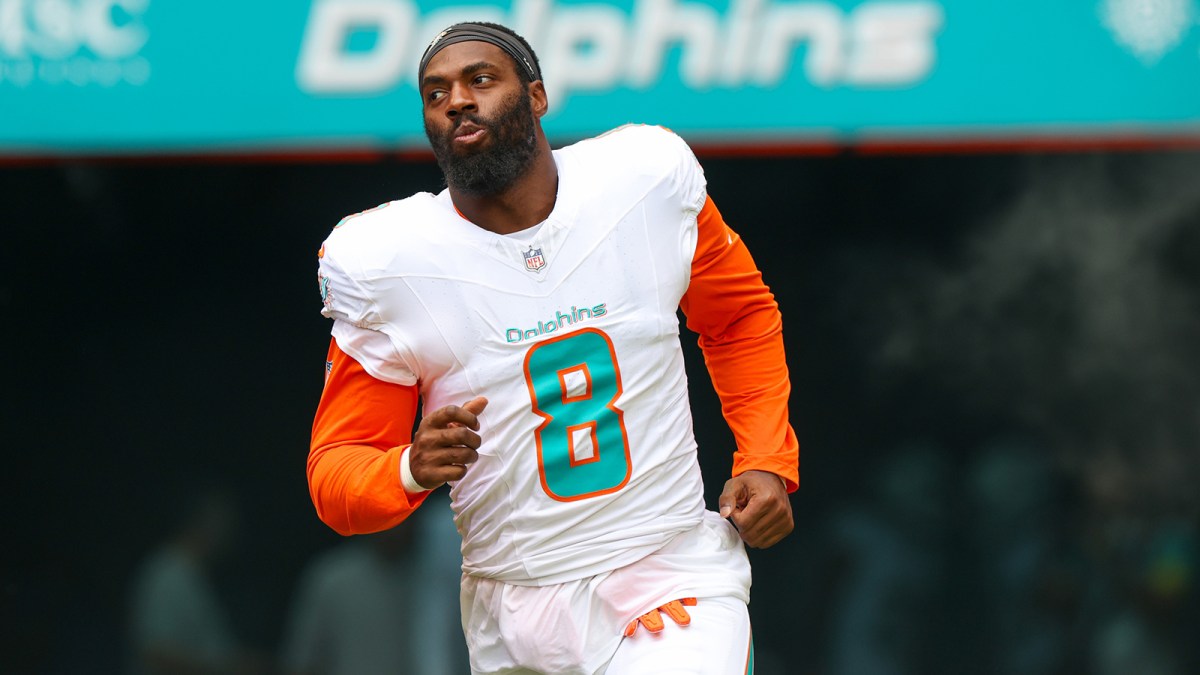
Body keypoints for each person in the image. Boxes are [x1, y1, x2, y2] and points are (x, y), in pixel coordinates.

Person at [308, 21, 799, 675]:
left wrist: (766, 456)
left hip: (665, 576)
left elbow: (737, 316)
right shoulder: (387, 262)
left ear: (537, 96)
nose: (456, 99)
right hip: (516, 611)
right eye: (435, 92)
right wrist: (408, 467)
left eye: (479, 79)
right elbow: (336, 471)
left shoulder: (642, 182)